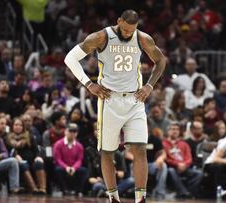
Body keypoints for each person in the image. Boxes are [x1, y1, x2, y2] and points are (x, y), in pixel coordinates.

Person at [64, 10, 166, 203]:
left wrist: (149, 85)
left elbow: (161, 61)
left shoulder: (143, 38)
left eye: (132, 31)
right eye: (125, 29)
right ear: (118, 21)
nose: (128, 34)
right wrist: (88, 84)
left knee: (140, 149)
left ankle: (141, 198)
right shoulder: (101, 37)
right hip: (109, 99)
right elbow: (70, 58)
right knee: (108, 152)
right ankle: (113, 198)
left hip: (135, 100)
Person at [53, 123, 87, 196]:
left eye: (74, 131)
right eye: (70, 131)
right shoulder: (58, 144)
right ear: (65, 131)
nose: (72, 133)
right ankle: (64, 190)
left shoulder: (79, 146)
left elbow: (79, 160)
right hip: (62, 166)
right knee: (58, 170)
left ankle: (78, 191)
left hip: (74, 167)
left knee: (83, 170)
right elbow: (58, 159)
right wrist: (66, 167)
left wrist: (74, 168)